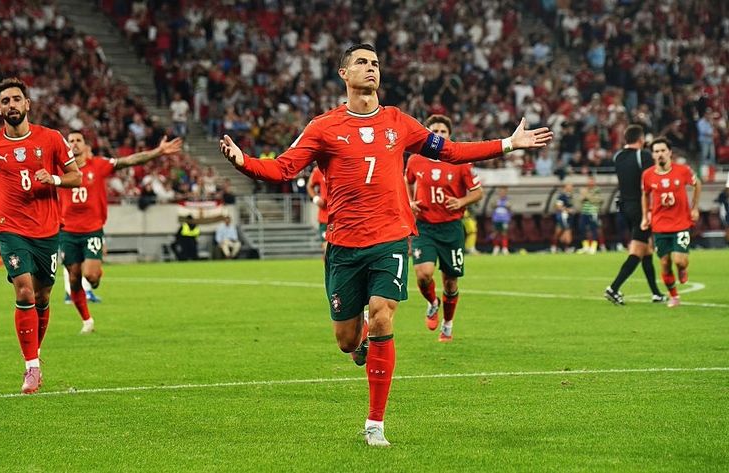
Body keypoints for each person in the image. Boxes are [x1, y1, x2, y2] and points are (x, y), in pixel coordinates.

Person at [218, 43, 552, 447]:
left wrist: (508, 143)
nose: (371, 68)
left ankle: (375, 423)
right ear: (344, 74)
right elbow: (283, 168)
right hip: (343, 244)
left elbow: (450, 151)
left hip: (390, 238)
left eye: (375, 63)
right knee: (347, 341)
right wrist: (244, 161)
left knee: (382, 316)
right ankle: (359, 341)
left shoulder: (398, 122)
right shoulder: (323, 127)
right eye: (361, 62)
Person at [0, 77, 82, 394]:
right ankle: (31, 367)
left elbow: (76, 176)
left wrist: (54, 179)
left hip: (47, 230)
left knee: (43, 297)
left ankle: (35, 354)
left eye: (17, 99)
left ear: (27, 104)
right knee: (25, 292)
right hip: (11, 229)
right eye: (5, 101)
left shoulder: (51, 138)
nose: (12, 105)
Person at [59, 130, 182, 333]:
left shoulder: (98, 165)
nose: (74, 144)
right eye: (70, 141)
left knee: (90, 276)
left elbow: (130, 160)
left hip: (92, 230)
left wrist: (158, 151)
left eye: (78, 140)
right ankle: (87, 320)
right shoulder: (59, 168)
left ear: (85, 146)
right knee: (73, 278)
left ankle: (97, 272)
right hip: (67, 232)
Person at [406, 114, 483, 342]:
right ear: (428, 135)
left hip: (451, 229)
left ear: (449, 135)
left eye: (443, 132)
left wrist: (461, 202)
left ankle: (447, 324)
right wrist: (409, 202)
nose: (439, 135)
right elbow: (406, 181)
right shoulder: (415, 160)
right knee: (423, 275)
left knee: (450, 282)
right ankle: (432, 302)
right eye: (434, 131)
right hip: (425, 227)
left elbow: (478, 192)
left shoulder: (461, 162)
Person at [605, 125, 666, 305]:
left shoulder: (618, 156)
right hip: (640, 208)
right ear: (641, 139)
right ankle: (613, 288)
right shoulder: (643, 156)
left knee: (646, 250)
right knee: (638, 250)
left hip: (625, 207)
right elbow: (652, 180)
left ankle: (656, 293)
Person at [640, 137, 701, 307]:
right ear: (653, 155)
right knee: (665, 263)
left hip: (681, 223)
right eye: (656, 151)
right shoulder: (647, 175)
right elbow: (645, 195)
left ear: (670, 152)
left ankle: (682, 269)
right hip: (659, 225)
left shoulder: (682, 170)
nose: (660, 154)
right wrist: (645, 216)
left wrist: (695, 208)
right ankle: (674, 296)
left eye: (663, 150)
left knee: (679, 260)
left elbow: (697, 184)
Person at [306, 165, 329, 254]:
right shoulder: (319, 170)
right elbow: (309, 186)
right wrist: (316, 199)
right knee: (326, 249)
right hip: (325, 217)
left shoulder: (344, 167)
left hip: (342, 217)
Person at [577, 176, 603, 254]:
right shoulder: (584, 189)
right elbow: (580, 200)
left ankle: (593, 247)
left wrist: (587, 195)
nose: (590, 183)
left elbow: (597, 200)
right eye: (589, 181)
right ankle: (586, 246)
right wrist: (585, 196)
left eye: (591, 181)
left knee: (594, 229)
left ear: (594, 182)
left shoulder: (597, 190)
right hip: (584, 212)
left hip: (593, 212)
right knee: (581, 228)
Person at [551, 182, 575, 253]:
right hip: (563, 216)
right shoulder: (561, 196)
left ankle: (558, 247)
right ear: (566, 187)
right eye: (569, 186)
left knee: (560, 232)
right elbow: (558, 206)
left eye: (571, 186)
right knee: (567, 233)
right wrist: (567, 210)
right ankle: (563, 248)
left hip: (569, 217)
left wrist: (571, 210)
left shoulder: (570, 196)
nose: (571, 188)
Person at [491, 187, 511, 255]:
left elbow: (510, 207)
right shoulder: (496, 200)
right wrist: (495, 204)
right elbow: (492, 205)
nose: (502, 193)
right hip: (496, 219)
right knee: (495, 233)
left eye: (504, 192)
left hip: (504, 219)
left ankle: (504, 248)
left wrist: (507, 206)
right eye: (501, 192)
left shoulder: (508, 200)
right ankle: (496, 248)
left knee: (504, 233)